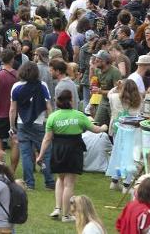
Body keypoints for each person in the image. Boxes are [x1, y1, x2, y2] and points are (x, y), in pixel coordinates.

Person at [37, 90, 108, 222]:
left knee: (60, 178)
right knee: (69, 184)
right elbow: (95, 129)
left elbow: (47, 139)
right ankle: (66, 215)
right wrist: (104, 127)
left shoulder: (53, 116)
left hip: (58, 149)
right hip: (73, 149)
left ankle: (57, 208)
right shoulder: (79, 115)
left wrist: (40, 155)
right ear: (70, 101)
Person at [10, 61, 54, 191]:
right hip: (39, 124)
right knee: (45, 153)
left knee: (26, 154)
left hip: (22, 124)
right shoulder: (42, 85)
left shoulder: (16, 87)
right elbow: (48, 106)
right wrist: (51, 124)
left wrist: (12, 126)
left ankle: (29, 183)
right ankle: (49, 181)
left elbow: (13, 109)